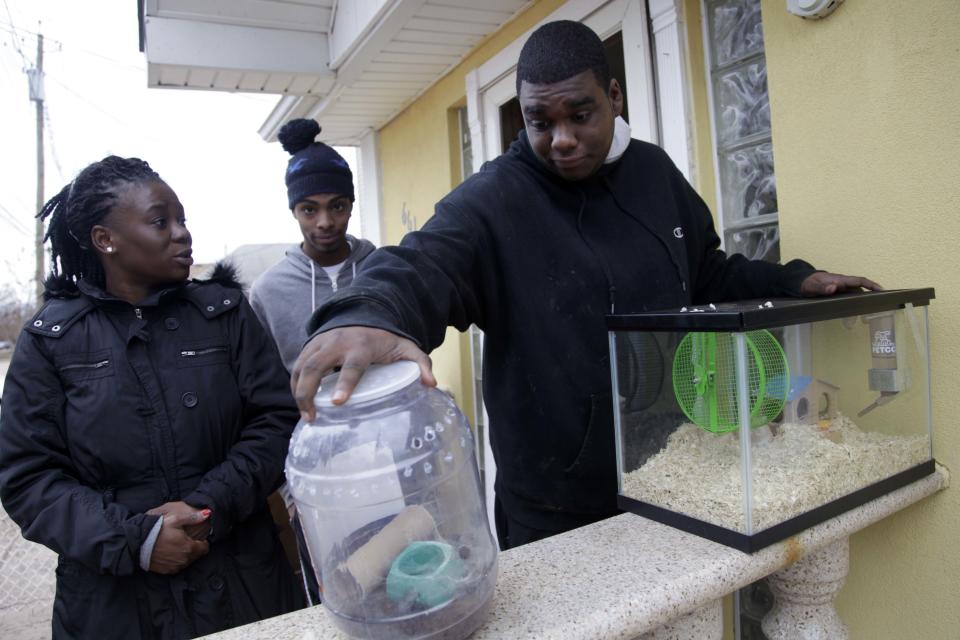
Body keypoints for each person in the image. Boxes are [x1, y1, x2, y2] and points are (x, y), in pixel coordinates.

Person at [288, 21, 881, 550]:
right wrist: (367, 312)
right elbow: (422, 263)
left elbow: (707, 273)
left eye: (580, 114)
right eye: (540, 121)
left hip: (674, 475)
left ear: (614, 96)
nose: (562, 139)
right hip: (554, 508)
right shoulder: (495, 201)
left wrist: (796, 279)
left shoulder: (656, 175)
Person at [0, 156, 304, 638]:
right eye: (161, 221)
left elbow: (276, 423)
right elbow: (27, 477)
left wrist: (207, 510)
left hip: (242, 586)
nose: (182, 233)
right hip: (113, 607)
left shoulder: (224, 315)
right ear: (106, 240)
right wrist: (136, 541)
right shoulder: (51, 340)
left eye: (182, 219)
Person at [249, 118, 375, 373]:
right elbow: (263, 378)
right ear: (293, 210)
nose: (325, 222)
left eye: (337, 206)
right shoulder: (268, 290)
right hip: (307, 413)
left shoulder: (383, 269)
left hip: (387, 412)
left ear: (351, 205)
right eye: (309, 209)